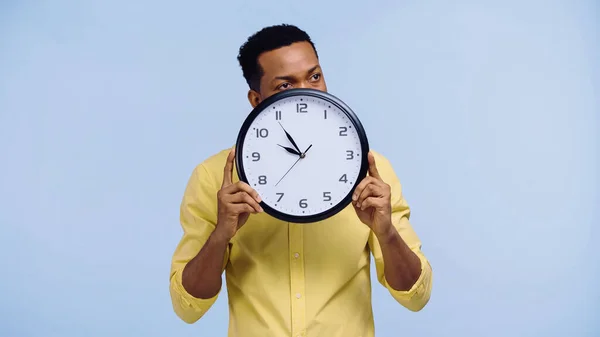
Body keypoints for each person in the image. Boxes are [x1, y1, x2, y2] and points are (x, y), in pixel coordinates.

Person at [169, 24, 433, 337]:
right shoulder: (214, 178)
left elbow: (416, 297)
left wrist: (386, 232)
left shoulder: (372, 171)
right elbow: (187, 308)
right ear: (257, 99)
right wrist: (220, 234)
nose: (307, 90)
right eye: (284, 85)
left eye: (314, 76)